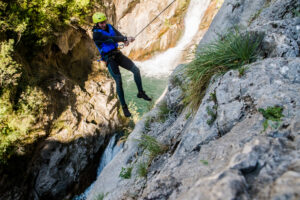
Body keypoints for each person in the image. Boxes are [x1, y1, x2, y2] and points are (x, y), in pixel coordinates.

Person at [92, 12, 152, 117]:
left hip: (117, 54)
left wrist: (125, 40)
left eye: (104, 22)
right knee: (119, 81)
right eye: (101, 23)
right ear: (97, 24)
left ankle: (141, 92)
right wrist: (125, 39)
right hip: (109, 59)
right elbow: (110, 39)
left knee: (136, 70)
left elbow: (117, 35)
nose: (103, 24)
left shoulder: (109, 26)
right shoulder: (96, 34)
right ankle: (124, 107)